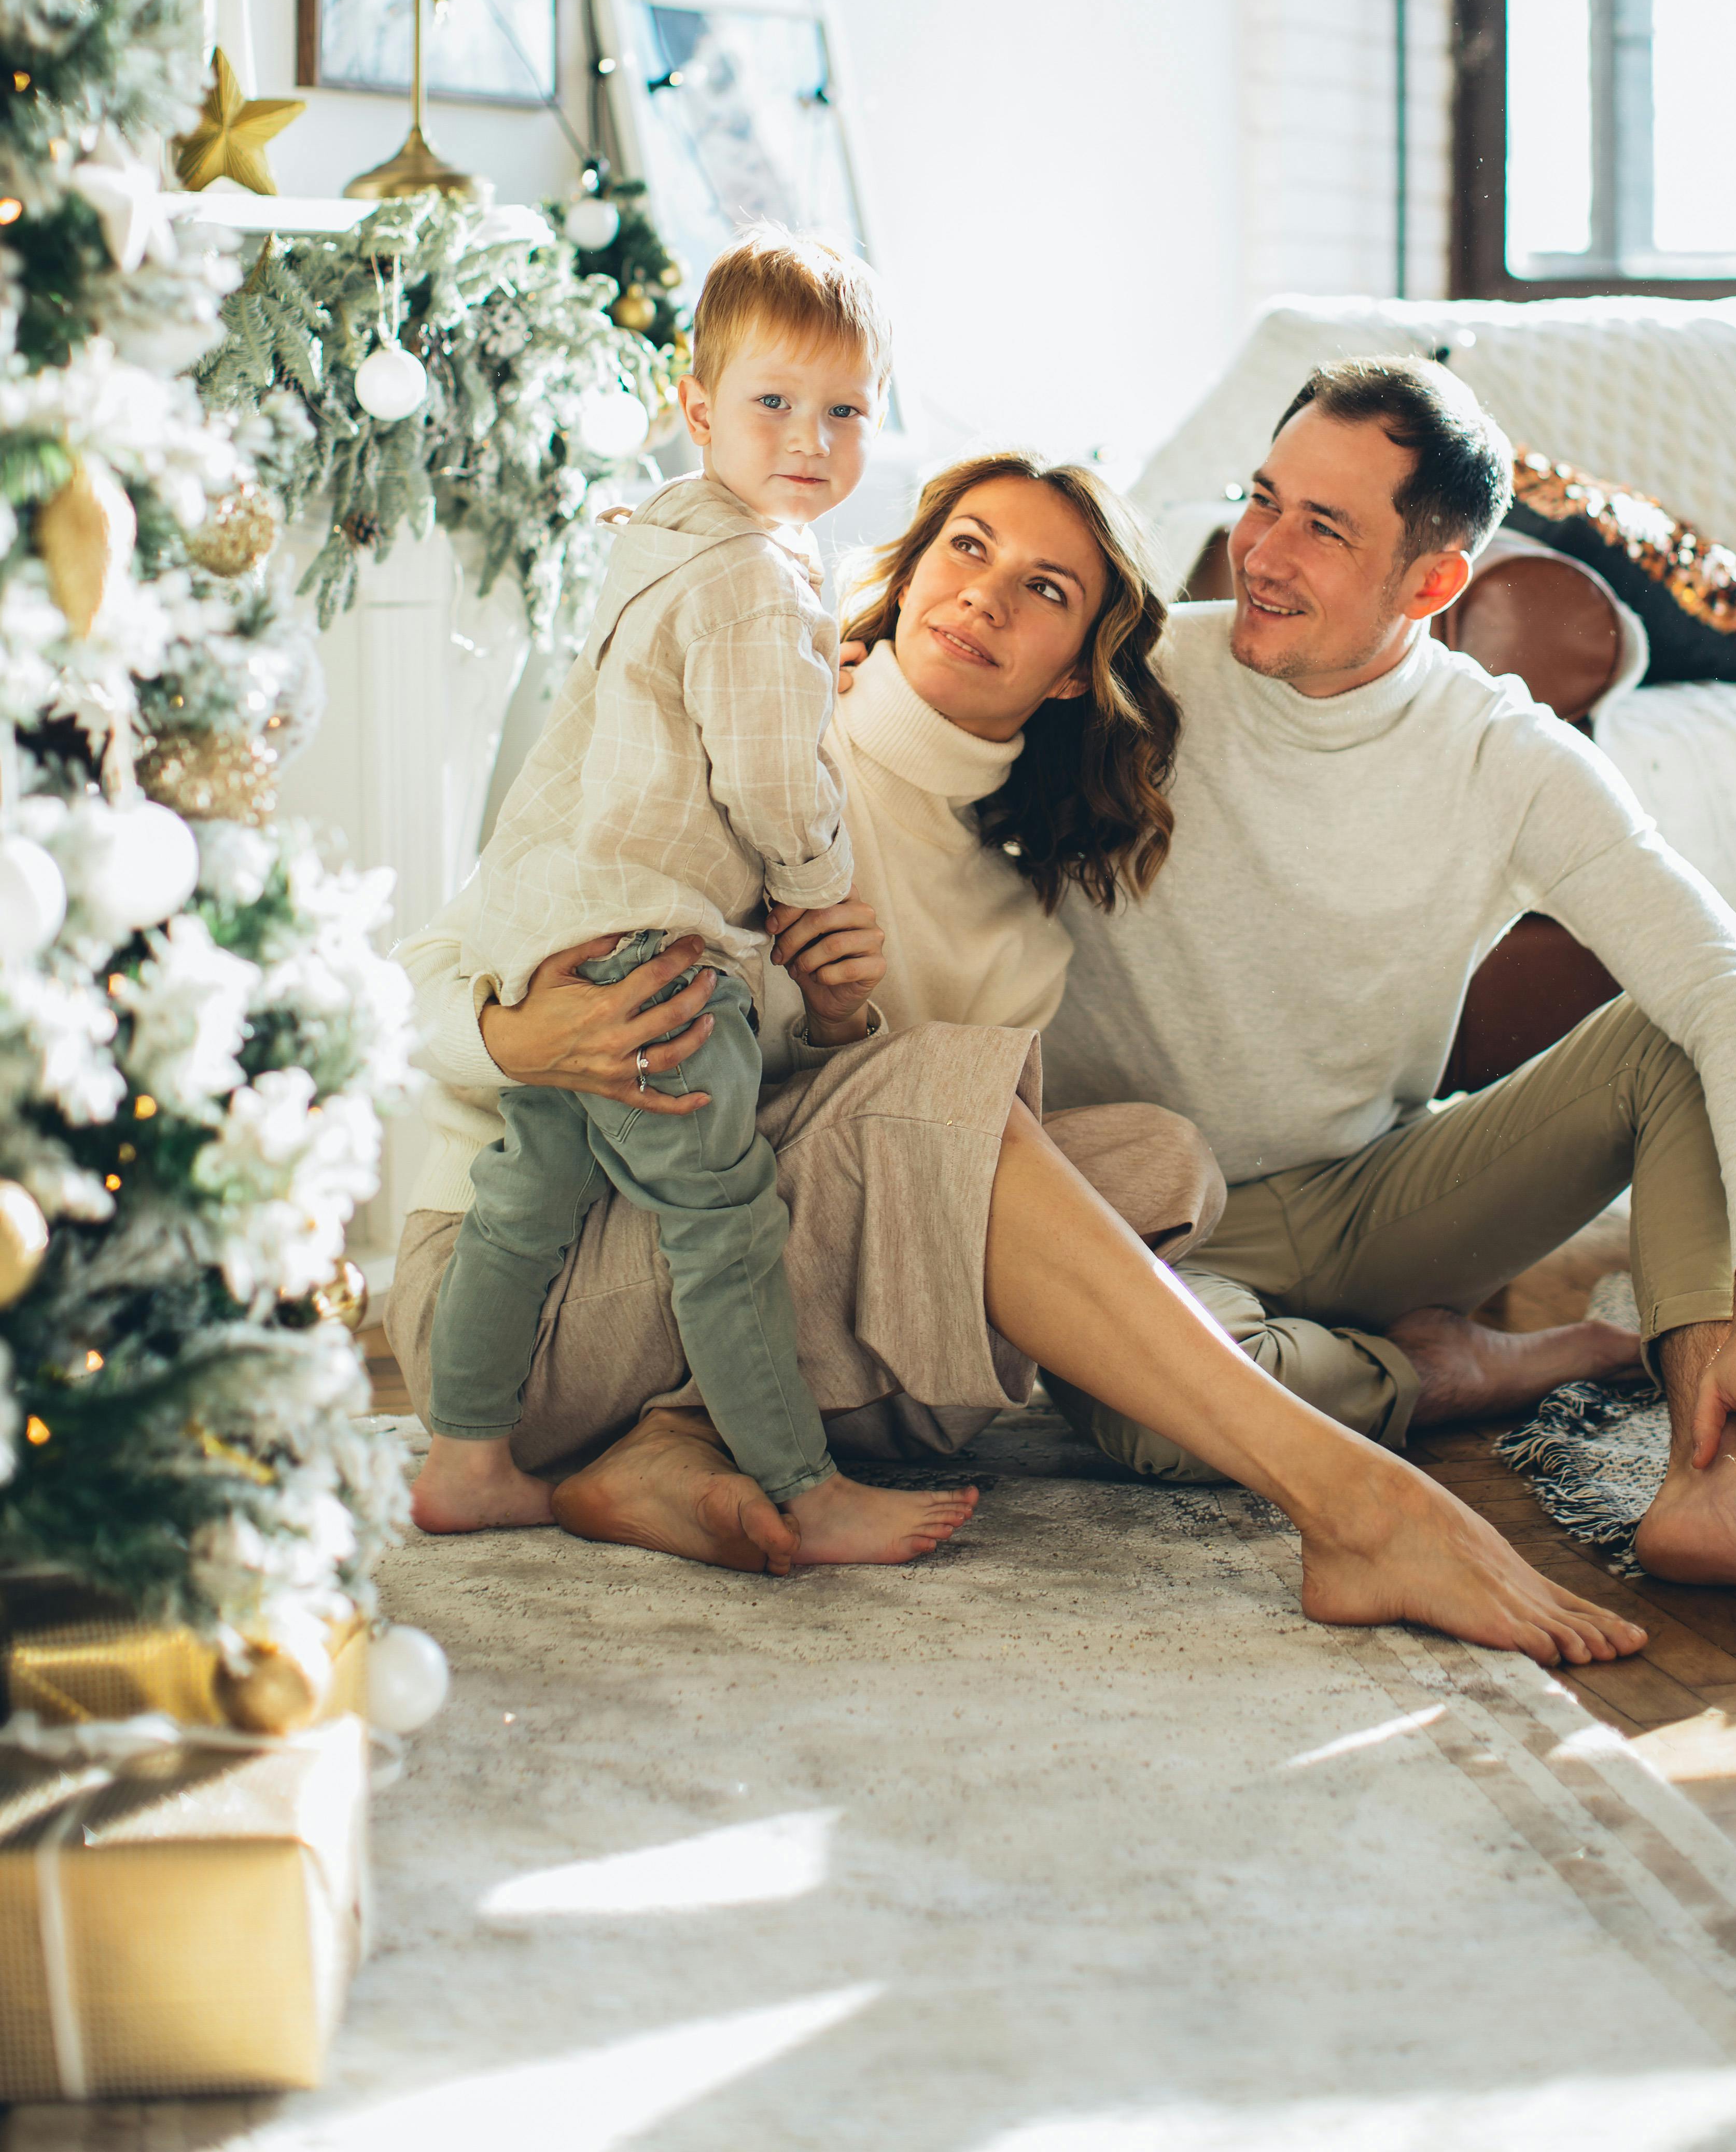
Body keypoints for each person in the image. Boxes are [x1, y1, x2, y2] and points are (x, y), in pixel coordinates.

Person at [391, 448, 1646, 1666]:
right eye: (968, 548)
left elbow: (849, 1164)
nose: (985, 595)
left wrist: (835, 1029)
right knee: (943, 1098)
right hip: (525, 1298)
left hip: (726, 1285)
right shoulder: (747, 729)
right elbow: (411, 987)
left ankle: (676, 1448)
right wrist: (516, 1036)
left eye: (1045, 590)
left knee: (1155, 1164)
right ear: (912, 568)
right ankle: (1358, 1505)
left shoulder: (1015, 932)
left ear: (1069, 676)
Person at [1043, 355, 1736, 1614]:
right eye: (1262, 498)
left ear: (1435, 581)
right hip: (1150, 1217)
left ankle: (1721, 1484)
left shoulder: (1505, 753)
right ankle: (1453, 1373)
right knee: (1164, 1427)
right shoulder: (1131, 676)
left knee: (1673, 1039)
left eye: (1323, 527)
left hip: (1377, 1195)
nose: (1262, 550)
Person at [413, 228, 974, 1567]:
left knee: (528, 1196)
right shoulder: (760, 581)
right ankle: (799, 1483)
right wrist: (817, 894)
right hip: (658, 950)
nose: (809, 440)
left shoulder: (662, 533)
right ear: (697, 404)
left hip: (556, 933)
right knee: (723, 1225)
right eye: (774, 403)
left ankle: (463, 1455)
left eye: (844, 412)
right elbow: (776, 782)